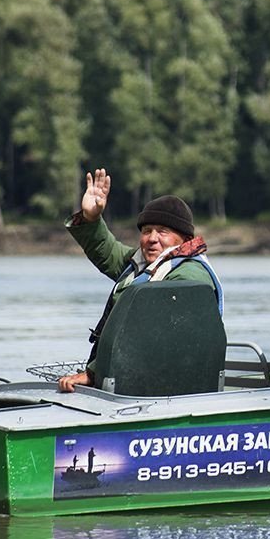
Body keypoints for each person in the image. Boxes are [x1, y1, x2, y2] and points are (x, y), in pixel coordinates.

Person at [58, 168, 222, 392]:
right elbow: (108, 252)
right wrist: (91, 218)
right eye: (146, 230)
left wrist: (94, 373)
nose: (152, 239)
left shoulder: (188, 276)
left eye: (163, 231)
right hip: (135, 377)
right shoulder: (145, 263)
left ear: (184, 239)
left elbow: (149, 331)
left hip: (166, 386)